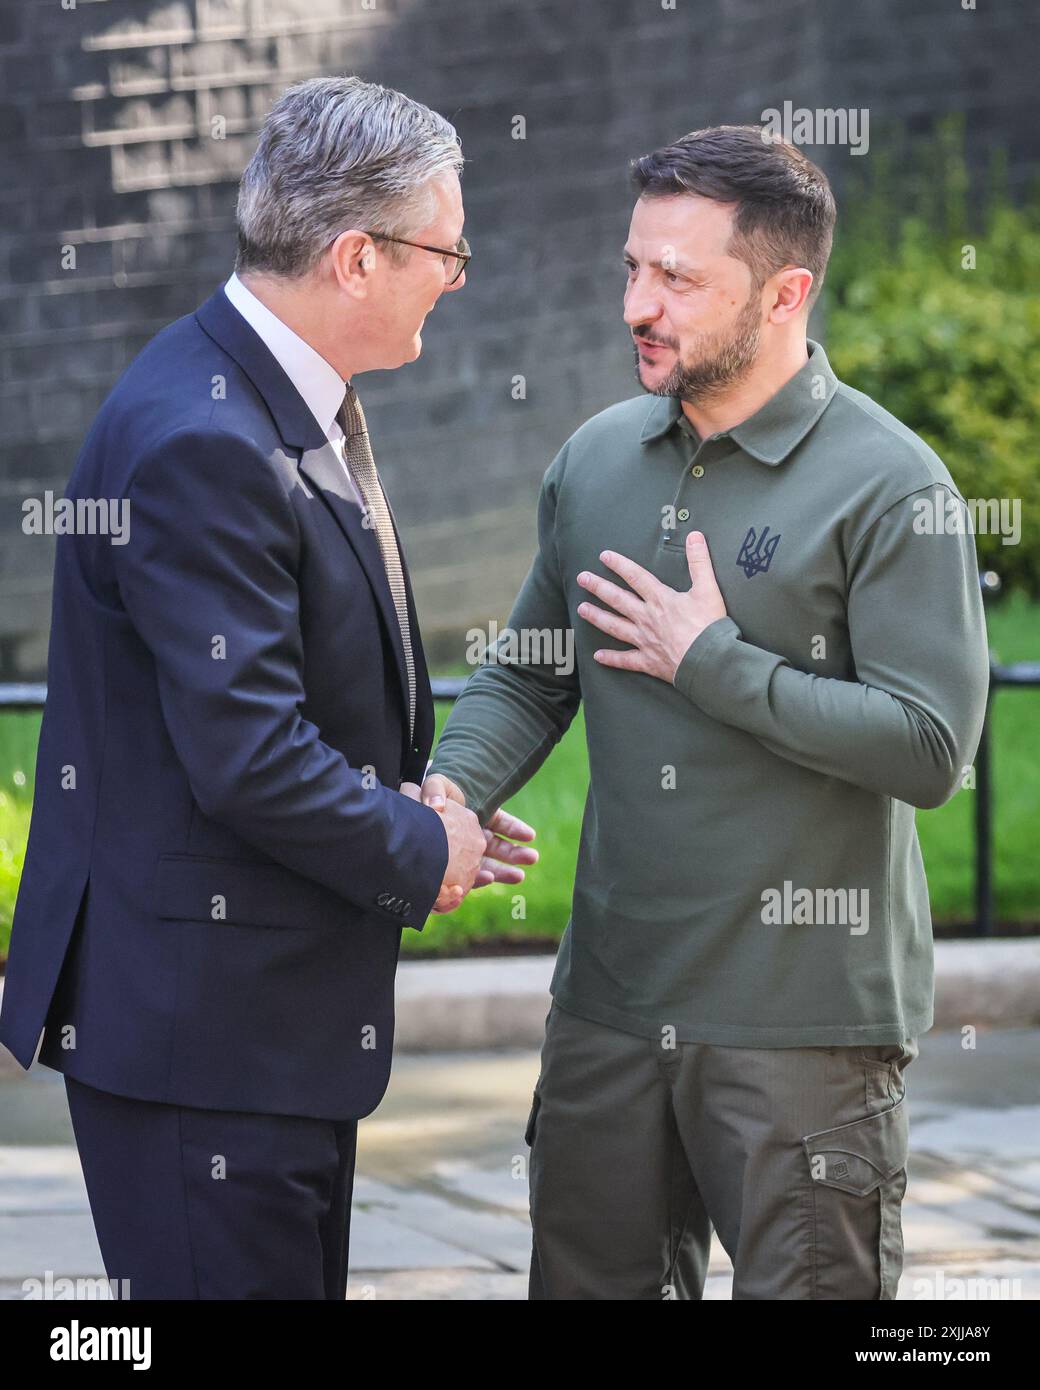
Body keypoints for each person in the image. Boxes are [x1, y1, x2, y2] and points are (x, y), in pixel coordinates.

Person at [423, 125, 990, 1300]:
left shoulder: (892, 485)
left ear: (783, 293)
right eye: (631, 268)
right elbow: (533, 669)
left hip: (803, 1032)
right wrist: (451, 791)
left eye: (677, 278)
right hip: (608, 1014)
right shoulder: (593, 460)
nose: (639, 303)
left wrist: (713, 663)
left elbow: (931, 746)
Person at [0, 75, 535, 1300]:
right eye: (445, 252)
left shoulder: (280, 394)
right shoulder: (206, 437)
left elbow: (282, 699)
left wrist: (424, 816)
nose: (454, 278)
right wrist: (416, 844)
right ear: (358, 256)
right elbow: (245, 756)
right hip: (204, 1042)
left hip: (261, 1030)